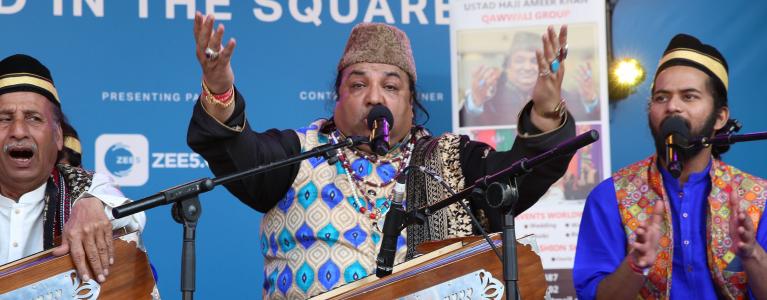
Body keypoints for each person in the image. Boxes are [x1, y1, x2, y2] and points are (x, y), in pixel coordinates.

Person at [187, 12, 576, 299]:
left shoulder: (453, 160)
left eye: (391, 86)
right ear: (337, 97)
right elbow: (238, 153)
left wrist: (544, 113)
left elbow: (519, 176)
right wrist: (221, 92)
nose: (374, 97)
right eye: (358, 84)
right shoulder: (296, 153)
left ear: (411, 103)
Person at [573, 34, 767, 299]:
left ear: (720, 117)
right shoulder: (609, 197)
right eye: (661, 98)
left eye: (689, 97)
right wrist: (635, 265)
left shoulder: (757, 197)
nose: (673, 107)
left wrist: (751, 252)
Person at [0, 54, 145, 284]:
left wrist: (91, 205)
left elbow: (133, 215)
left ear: (58, 136)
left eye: (34, 118)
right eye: (4, 119)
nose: (18, 131)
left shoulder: (85, 185)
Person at [459, 31, 599, 127]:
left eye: (533, 61)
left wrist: (590, 100)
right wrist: (476, 101)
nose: (527, 67)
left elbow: (584, 124)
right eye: (519, 60)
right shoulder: (490, 99)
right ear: (508, 66)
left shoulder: (560, 95)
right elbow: (463, 127)